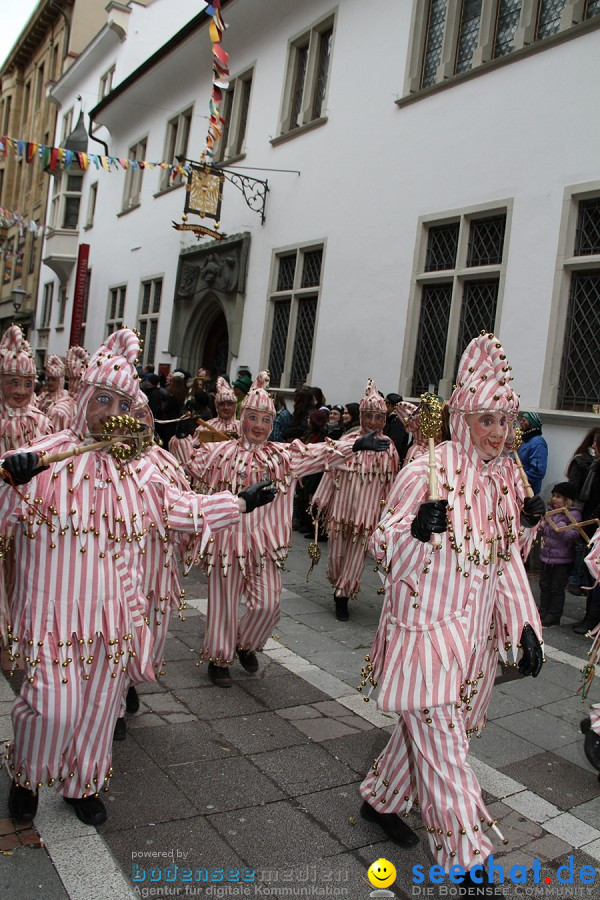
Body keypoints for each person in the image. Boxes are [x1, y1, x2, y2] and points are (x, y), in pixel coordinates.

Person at [1, 328, 276, 827]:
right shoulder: (44, 459)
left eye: (120, 402)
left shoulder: (136, 473)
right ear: (84, 398)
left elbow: (182, 508)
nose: (109, 411)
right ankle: (26, 772)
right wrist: (7, 480)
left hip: (114, 616)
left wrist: (239, 501)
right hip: (54, 619)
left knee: (101, 709)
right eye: (100, 398)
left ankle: (82, 783)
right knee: (54, 707)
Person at [357, 333, 544, 897]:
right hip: (423, 638)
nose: (500, 432)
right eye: (489, 419)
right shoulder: (425, 471)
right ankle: (468, 861)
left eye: (507, 421)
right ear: (464, 417)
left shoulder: (500, 483)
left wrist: (526, 626)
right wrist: (417, 533)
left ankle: (380, 799)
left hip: (472, 647)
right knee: (446, 754)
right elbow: (382, 548)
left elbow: (505, 560)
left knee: (439, 733)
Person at [170, 371, 389, 688]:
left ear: (272, 422)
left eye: (265, 419)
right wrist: (180, 437)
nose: (258, 425)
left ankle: (245, 643)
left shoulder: (283, 457)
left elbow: (320, 454)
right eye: (253, 418)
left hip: (265, 548)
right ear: (244, 418)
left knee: (267, 605)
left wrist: (355, 446)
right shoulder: (221, 453)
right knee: (223, 606)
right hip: (226, 546)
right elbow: (190, 461)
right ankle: (219, 660)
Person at [312, 380, 399, 621]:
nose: (373, 422)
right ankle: (337, 581)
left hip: (367, 515)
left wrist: (389, 514)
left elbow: (390, 485)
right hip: (341, 510)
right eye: (369, 416)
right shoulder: (348, 442)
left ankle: (343, 595)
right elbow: (331, 471)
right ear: (361, 416)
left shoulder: (389, 448)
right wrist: (321, 499)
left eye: (378, 417)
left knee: (356, 557)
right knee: (336, 556)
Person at [538, 482, 581, 627]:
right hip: (546, 557)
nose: (555, 499)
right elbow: (544, 532)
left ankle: (554, 615)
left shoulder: (573, 514)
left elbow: (575, 535)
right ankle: (543, 611)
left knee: (556, 587)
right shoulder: (550, 512)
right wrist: (541, 527)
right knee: (544, 585)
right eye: (554, 496)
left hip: (562, 559)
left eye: (559, 497)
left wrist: (562, 528)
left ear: (567, 499)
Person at [566, 429, 600, 596]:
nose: (594, 446)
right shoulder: (582, 461)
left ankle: (583, 582)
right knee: (580, 547)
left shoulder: (595, 465)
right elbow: (575, 486)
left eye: (597, 443)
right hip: (581, 509)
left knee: (586, 550)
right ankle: (575, 581)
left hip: (592, 516)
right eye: (593, 442)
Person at [572, 431, 600, 634]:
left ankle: (592, 620)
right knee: (590, 574)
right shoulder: (595, 466)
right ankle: (589, 616)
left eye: (596, 444)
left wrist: (593, 519)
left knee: (595, 577)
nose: (594, 447)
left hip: (596, 525)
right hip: (590, 523)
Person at [46, 346, 90, 432]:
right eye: (49, 379)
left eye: (54, 379)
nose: (50, 382)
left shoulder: (88, 409)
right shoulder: (60, 411)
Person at [518, 412, 548, 496]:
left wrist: (517, 479)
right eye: (521, 420)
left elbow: (538, 471)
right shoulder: (523, 440)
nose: (521, 422)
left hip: (526, 491)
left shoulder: (538, 443)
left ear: (532, 424)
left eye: (524, 420)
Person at [383, 392, 410, 463]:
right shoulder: (391, 419)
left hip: (391, 460)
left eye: (385, 403)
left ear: (389, 405)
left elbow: (394, 444)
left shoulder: (398, 422)